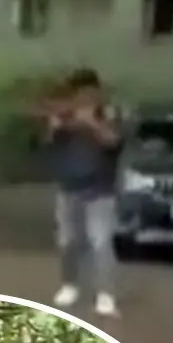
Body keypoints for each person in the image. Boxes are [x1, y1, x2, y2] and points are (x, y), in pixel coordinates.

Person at [43, 68, 122, 316]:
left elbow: (113, 141)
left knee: (100, 243)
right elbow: (47, 144)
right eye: (78, 94)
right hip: (68, 190)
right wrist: (55, 127)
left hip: (100, 191)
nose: (83, 99)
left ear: (97, 93)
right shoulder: (64, 118)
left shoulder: (110, 114)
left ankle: (105, 294)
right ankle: (70, 285)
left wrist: (91, 123)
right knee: (68, 241)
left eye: (88, 93)